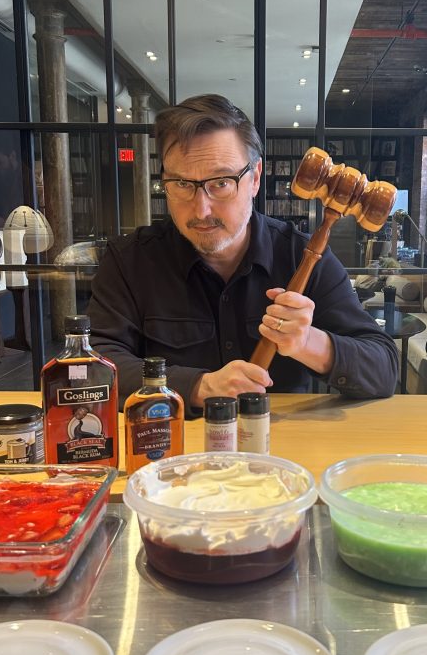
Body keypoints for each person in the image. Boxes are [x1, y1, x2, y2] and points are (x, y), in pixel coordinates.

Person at [88, 94, 398, 416]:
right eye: (181, 184)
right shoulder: (130, 261)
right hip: (173, 449)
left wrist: (307, 342)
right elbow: (93, 367)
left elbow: (383, 369)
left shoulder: (298, 255)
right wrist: (198, 387)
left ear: (255, 178)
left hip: (279, 453)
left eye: (221, 182)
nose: (201, 209)